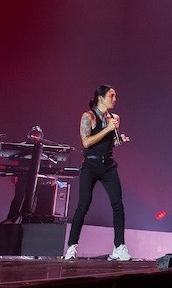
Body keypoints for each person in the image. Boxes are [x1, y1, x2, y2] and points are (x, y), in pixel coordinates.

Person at [64, 85, 131, 261]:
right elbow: (86, 142)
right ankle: (72, 246)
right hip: (91, 164)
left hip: (108, 165)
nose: (114, 99)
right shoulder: (89, 116)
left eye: (115, 96)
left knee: (118, 205)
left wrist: (120, 139)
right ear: (101, 98)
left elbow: (111, 142)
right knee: (83, 205)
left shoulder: (114, 118)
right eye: (111, 95)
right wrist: (107, 129)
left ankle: (119, 247)